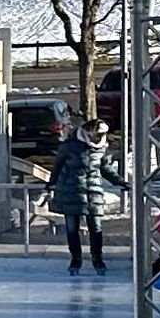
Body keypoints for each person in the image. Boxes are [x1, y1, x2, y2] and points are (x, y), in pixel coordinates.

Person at [44, 118, 114, 275]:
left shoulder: (101, 148)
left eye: (101, 135)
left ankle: (98, 259)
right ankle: (76, 260)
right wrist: (51, 183)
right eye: (97, 134)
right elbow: (57, 166)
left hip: (93, 192)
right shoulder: (69, 147)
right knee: (72, 228)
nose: (99, 138)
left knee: (96, 228)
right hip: (71, 191)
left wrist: (121, 182)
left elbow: (105, 169)